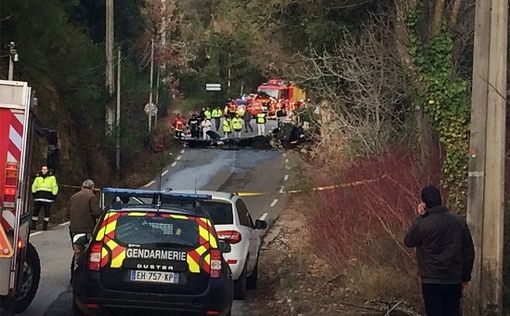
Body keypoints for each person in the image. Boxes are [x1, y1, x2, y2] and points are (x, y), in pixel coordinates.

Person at [404, 186, 475, 316]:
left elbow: (408, 241)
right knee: (453, 312)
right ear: (441, 199)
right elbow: (468, 251)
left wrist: (420, 217)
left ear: (424, 204)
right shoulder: (458, 222)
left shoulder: (422, 224)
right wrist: (466, 277)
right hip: (453, 278)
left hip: (431, 279)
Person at [69, 179, 101, 269]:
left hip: (74, 230)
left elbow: (67, 214)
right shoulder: (92, 197)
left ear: (82, 187)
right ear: (93, 187)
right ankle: (86, 273)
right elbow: (96, 213)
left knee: (77, 253)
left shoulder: (73, 197)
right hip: (87, 230)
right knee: (88, 252)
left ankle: (76, 273)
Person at [31, 165, 59, 230]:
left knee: (47, 213)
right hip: (38, 198)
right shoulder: (38, 178)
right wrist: (34, 193)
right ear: (41, 170)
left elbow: (55, 187)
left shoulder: (52, 178)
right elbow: (34, 186)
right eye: (43, 169)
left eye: (45, 169)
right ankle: (34, 225)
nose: (44, 171)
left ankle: (45, 226)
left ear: (47, 170)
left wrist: (54, 195)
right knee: (35, 212)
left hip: (47, 199)